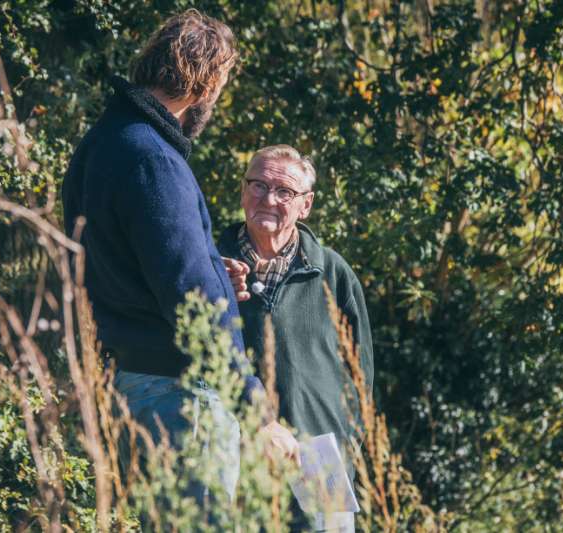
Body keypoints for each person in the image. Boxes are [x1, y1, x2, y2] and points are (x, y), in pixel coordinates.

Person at [61, 9, 299, 509]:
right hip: (182, 397)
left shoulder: (101, 146)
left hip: (135, 386)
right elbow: (192, 301)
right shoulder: (153, 162)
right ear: (205, 84)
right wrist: (256, 412)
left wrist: (215, 267)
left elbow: (128, 266)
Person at [218, 145, 375, 532]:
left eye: (284, 191)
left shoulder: (332, 272)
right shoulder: (209, 264)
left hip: (321, 457)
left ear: (305, 205)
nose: (268, 199)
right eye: (258, 185)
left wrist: (345, 446)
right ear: (242, 190)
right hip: (234, 453)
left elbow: (362, 374)